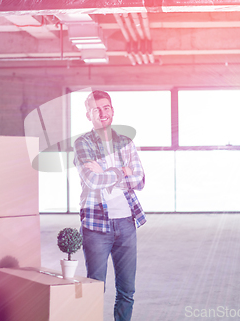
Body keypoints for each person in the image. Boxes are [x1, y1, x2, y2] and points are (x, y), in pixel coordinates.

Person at [73, 90, 146, 321]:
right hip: (96, 226)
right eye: (96, 109)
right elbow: (92, 181)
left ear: (112, 111)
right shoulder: (82, 143)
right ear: (88, 115)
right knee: (95, 289)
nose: (102, 113)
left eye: (106, 108)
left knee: (127, 291)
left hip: (126, 223)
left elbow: (140, 180)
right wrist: (122, 171)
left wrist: (106, 172)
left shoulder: (125, 142)